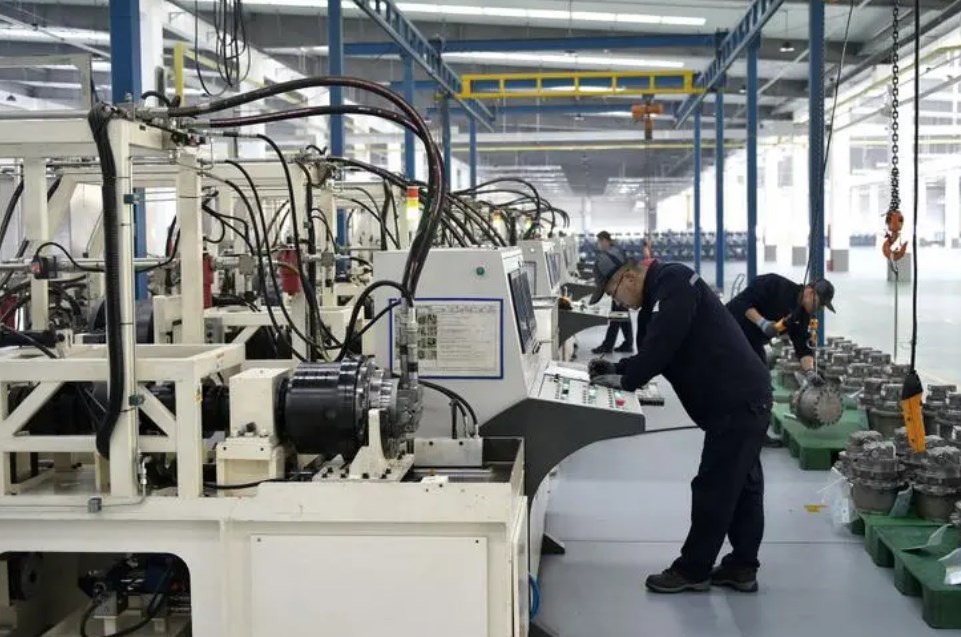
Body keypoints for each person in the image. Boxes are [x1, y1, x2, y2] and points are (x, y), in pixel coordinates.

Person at [587, 252, 773, 594]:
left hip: (737, 402)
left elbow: (664, 344)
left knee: (714, 488)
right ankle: (741, 568)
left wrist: (627, 381)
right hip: (742, 400)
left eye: (614, 293)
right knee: (742, 487)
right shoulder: (659, 295)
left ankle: (694, 569)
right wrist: (618, 369)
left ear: (629, 278)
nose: (619, 302)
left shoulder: (673, 282)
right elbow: (653, 351)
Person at [726, 275, 836, 383]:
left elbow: (802, 347)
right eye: (821, 303)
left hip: (752, 341)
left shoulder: (802, 316)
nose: (820, 308)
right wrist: (763, 323)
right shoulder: (774, 284)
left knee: (762, 381)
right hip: (728, 328)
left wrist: (810, 372)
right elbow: (742, 303)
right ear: (809, 291)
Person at [592, 231, 637, 354]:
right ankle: (628, 344)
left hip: (621, 288)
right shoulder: (615, 250)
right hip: (624, 286)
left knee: (616, 317)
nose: (599, 245)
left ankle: (607, 346)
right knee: (622, 315)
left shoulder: (611, 253)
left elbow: (614, 273)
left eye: (599, 242)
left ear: (605, 240)